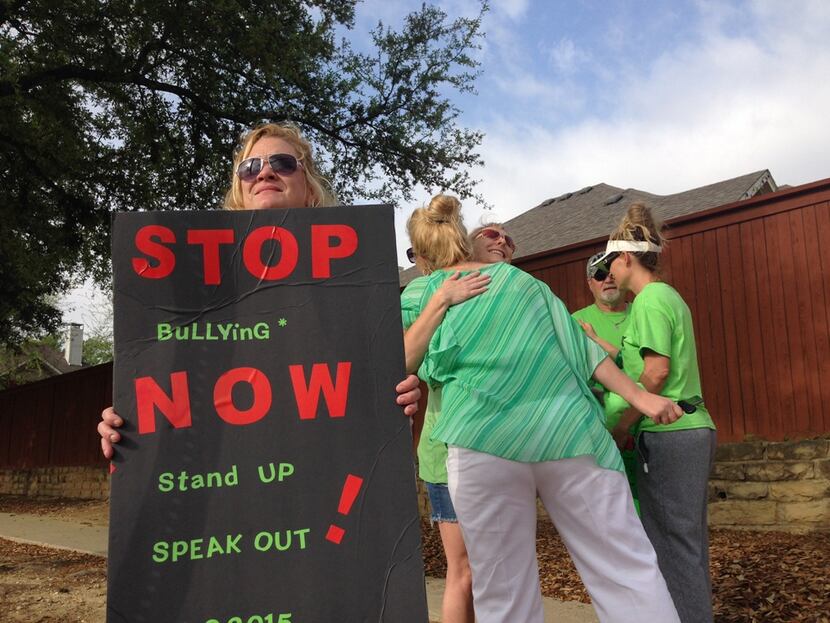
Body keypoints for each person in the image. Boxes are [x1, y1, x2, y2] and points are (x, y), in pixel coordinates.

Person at [401, 194, 682, 623]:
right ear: (464, 238)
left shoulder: (419, 291)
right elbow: (582, 348)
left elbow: (401, 362)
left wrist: (440, 300)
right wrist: (643, 398)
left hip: (480, 440)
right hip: (568, 434)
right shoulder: (521, 283)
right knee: (626, 569)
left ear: (421, 255)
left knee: (502, 589)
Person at [98, 121, 421, 457]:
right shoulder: (194, 291)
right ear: (240, 191)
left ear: (309, 187)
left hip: (321, 480)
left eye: (282, 163)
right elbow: (172, 391)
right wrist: (129, 431)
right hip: (228, 486)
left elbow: (374, 429)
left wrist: (396, 414)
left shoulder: (355, 289)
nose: (264, 174)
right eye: (249, 168)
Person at [592, 202, 717, 623]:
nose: (609, 274)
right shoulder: (666, 297)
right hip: (690, 429)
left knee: (672, 545)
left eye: (611, 264)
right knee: (686, 541)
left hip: (669, 434)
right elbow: (639, 362)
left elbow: (656, 373)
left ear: (626, 258)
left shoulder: (647, 302)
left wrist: (623, 424)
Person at [406, 221, 516, 623]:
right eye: (488, 235)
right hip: (447, 452)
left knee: (494, 569)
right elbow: (399, 361)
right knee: (466, 570)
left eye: (506, 240)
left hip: (498, 448)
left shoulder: (502, 289)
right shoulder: (423, 290)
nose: (500, 242)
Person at [572, 254, 639, 513]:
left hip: (651, 428)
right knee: (611, 511)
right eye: (599, 275)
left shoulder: (642, 310)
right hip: (604, 434)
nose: (607, 280)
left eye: (611, 273)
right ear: (590, 283)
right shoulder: (577, 322)